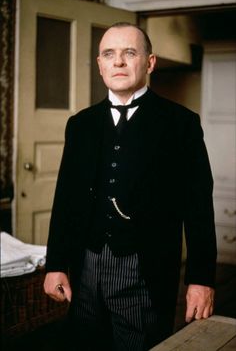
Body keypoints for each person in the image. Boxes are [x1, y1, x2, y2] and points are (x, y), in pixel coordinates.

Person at [43, 22, 217, 350]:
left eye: (129, 53)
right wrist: (55, 264)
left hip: (145, 271)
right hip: (84, 268)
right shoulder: (80, 125)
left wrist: (201, 278)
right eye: (109, 54)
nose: (118, 61)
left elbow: (198, 207)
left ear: (149, 62)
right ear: (100, 64)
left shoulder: (181, 124)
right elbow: (65, 198)